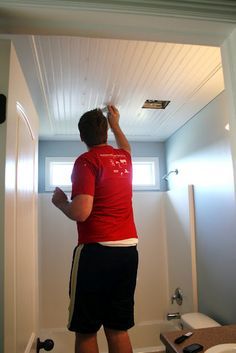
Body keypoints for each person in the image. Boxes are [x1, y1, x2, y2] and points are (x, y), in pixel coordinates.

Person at [52, 105, 138, 353]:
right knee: (117, 328)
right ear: (106, 134)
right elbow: (126, 148)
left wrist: (61, 203)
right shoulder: (124, 159)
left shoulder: (86, 161)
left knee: (87, 329)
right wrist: (116, 123)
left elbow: (81, 212)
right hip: (128, 252)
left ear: (82, 137)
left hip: (97, 253)